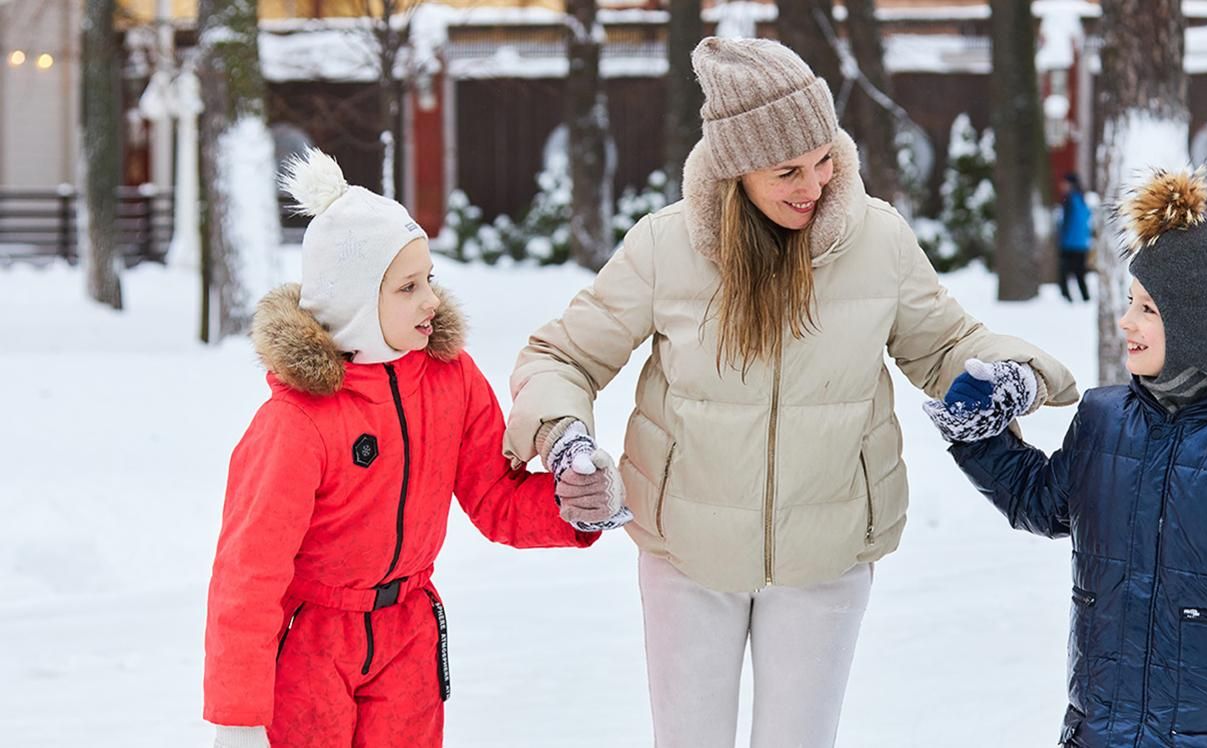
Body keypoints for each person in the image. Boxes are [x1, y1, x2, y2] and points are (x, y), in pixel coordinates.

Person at [502, 37, 1077, 748]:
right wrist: (565, 438)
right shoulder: (665, 248)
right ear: (736, 171)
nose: (815, 184)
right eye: (787, 171)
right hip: (687, 552)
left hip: (825, 553)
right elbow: (561, 355)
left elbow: (947, 345)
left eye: (823, 159)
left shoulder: (878, 242)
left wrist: (1016, 372)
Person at [922, 168, 1207, 747]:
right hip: (1102, 732)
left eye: (1148, 308)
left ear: (1200, 325)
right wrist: (978, 433)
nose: (1126, 322)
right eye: (1130, 302)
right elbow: (1041, 504)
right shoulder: (1104, 420)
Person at [202, 150, 614, 748]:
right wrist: (238, 716)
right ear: (355, 303)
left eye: (430, 280)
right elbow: (249, 575)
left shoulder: (450, 381)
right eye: (407, 286)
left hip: (408, 635)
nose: (430, 300)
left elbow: (494, 495)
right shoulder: (295, 424)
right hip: (313, 642)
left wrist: (573, 504)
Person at [1057, 172, 1093, 302]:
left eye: (1064, 183)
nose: (1062, 186)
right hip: (1082, 243)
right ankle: (1085, 298)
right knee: (1080, 273)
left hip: (1069, 243)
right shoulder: (1082, 199)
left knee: (1063, 273)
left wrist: (1060, 239)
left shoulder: (1070, 199)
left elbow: (1065, 223)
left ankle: (1067, 298)